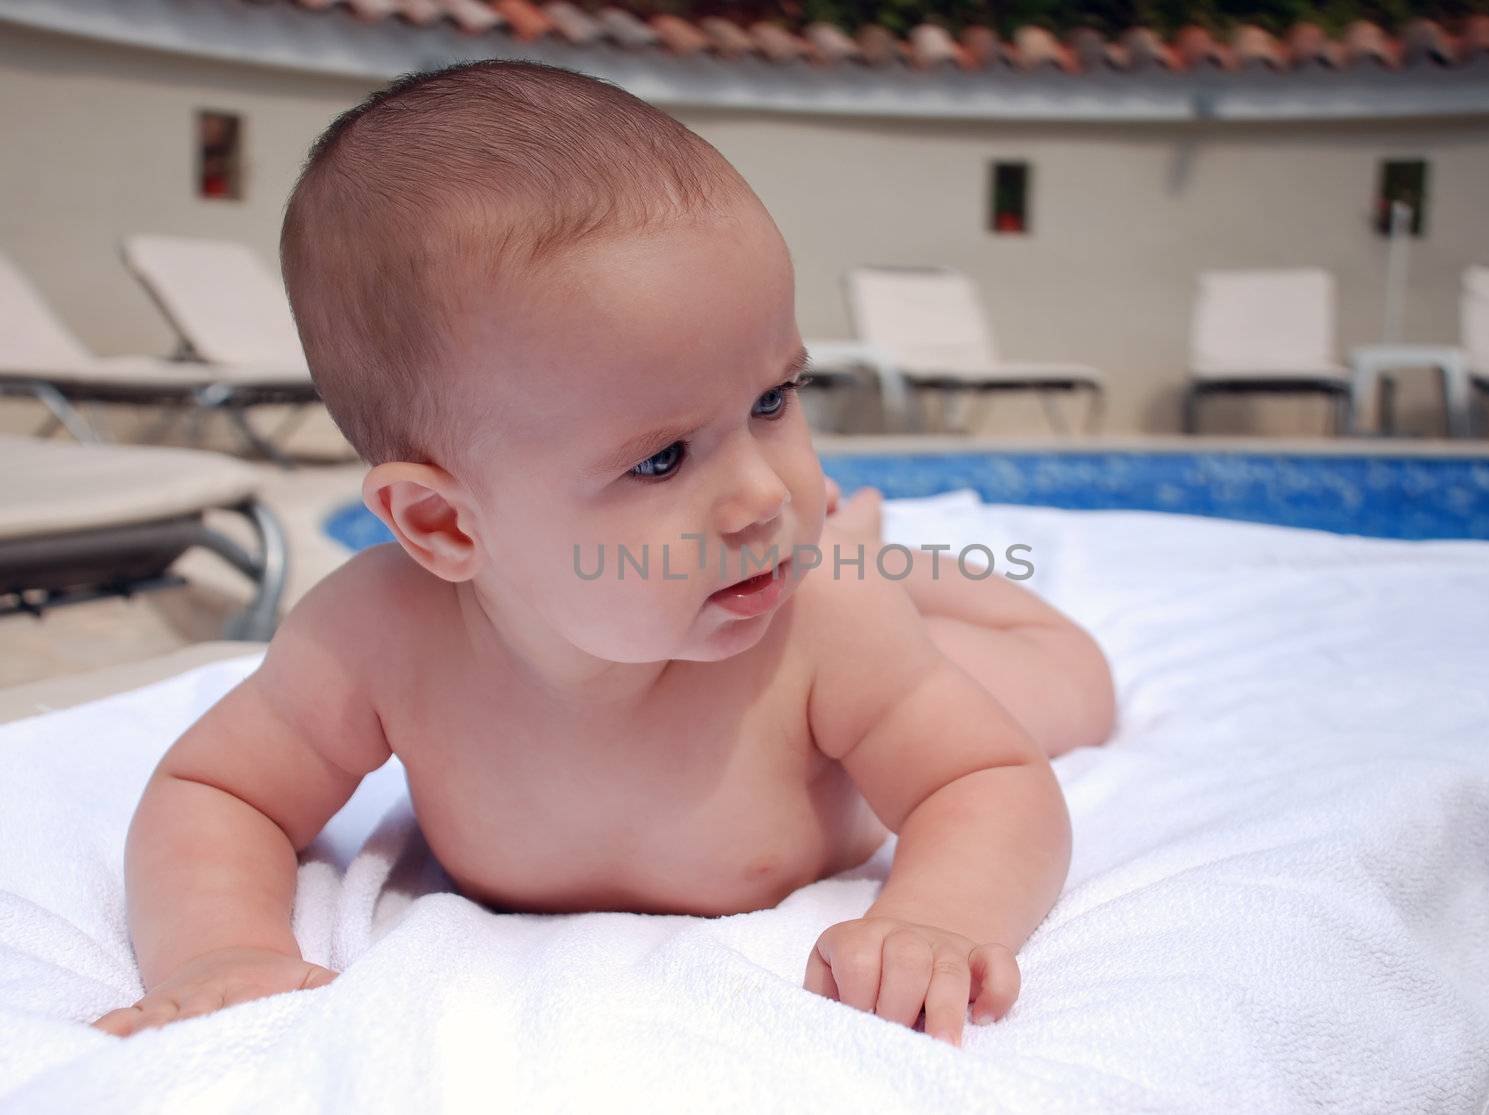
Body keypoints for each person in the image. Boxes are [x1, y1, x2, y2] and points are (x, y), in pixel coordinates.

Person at [92, 60, 1115, 1048]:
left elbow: (986, 776)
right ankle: (849, 538)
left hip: (845, 614)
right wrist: (221, 946)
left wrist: (939, 914)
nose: (761, 490)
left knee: (1069, 688)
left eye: (772, 400)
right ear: (445, 526)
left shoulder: (822, 634)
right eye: (662, 458)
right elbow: (218, 790)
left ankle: (870, 550)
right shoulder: (375, 637)